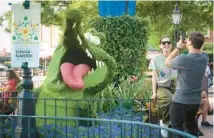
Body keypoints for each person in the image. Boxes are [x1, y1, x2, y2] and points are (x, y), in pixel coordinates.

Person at [165, 32, 208, 137]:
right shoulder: (204, 58)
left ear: (190, 42)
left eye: (188, 40)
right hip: (195, 101)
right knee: (190, 126)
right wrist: (192, 43)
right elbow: (199, 50)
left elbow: (167, 61)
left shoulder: (184, 59)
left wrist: (178, 48)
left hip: (180, 101)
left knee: (176, 128)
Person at [148, 36, 177, 137]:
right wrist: (154, 92)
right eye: (164, 43)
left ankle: (176, 126)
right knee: (170, 99)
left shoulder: (176, 57)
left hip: (174, 85)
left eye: (168, 42)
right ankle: (164, 122)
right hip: (161, 86)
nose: (166, 44)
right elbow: (154, 76)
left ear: (171, 45)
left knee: (179, 102)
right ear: (160, 45)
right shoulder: (156, 59)